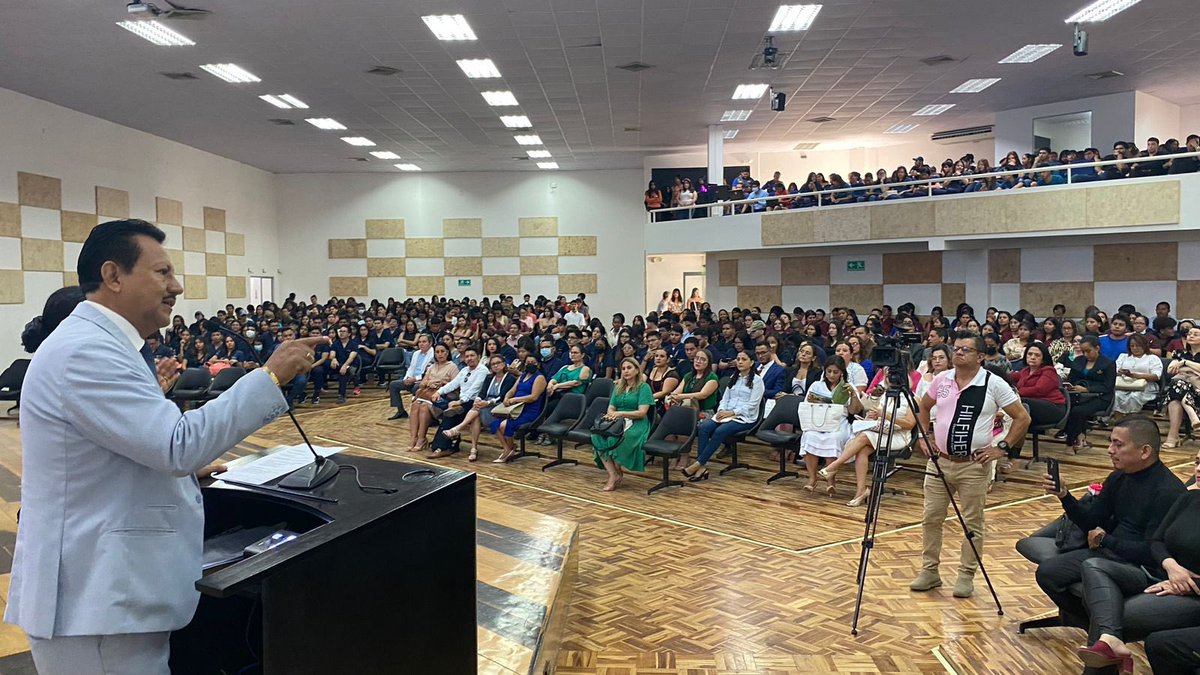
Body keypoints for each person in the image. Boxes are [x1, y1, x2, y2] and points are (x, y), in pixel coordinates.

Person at [6, 219, 326, 672]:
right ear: (113, 276)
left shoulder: (106, 344)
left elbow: (120, 450)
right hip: (95, 603)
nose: (176, 286)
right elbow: (176, 445)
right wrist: (270, 377)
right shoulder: (86, 351)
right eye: (162, 273)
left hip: (109, 596)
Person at [1033, 417, 1186, 636]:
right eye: (1110, 442)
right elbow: (1092, 521)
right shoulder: (1118, 478)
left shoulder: (1168, 492)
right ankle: (1093, 624)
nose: (1110, 450)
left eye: (1118, 444)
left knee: (1093, 568)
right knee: (1048, 573)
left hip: (1141, 567)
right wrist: (1065, 496)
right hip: (1111, 552)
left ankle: (1107, 632)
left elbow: (1152, 551)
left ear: (1144, 451)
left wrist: (1105, 540)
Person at [911, 332, 1030, 598]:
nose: (958, 353)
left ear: (981, 356)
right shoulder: (941, 379)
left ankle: (966, 575)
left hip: (973, 465)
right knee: (931, 518)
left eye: (965, 349)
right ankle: (930, 571)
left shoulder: (993, 383)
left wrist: (1002, 448)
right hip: (939, 462)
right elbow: (924, 405)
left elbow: (1021, 418)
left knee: (972, 523)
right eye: (956, 348)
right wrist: (923, 435)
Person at [820, 374, 917, 507]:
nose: (888, 379)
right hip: (883, 431)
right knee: (863, 450)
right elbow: (879, 416)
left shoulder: (910, 398)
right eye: (887, 377)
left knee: (864, 436)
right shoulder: (886, 396)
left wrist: (885, 415)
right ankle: (861, 491)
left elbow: (910, 424)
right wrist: (872, 416)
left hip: (899, 436)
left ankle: (834, 466)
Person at [681, 350, 764, 482]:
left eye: (744, 359)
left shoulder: (757, 381)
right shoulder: (733, 378)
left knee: (720, 431)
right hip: (725, 414)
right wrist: (721, 410)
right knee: (704, 427)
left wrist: (732, 412)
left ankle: (698, 464)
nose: (740, 362)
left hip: (744, 417)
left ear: (752, 362)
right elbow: (725, 398)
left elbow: (753, 404)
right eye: (738, 359)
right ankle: (701, 468)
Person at [590, 357, 653, 491]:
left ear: (637, 370)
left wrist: (621, 413)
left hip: (637, 422)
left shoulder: (644, 387)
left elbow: (642, 412)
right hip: (617, 420)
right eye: (623, 368)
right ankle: (613, 474)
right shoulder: (618, 386)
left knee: (614, 439)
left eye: (629, 368)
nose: (625, 371)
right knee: (597, 437)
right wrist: (613, 415)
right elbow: (611, 407)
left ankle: (616, 472)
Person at [796, 357, 856, 492]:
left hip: (839, 422)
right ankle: (812, 478)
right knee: (809, 436)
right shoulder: (816, 385)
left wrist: (853, 396)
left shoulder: (847, 387)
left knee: (834, 438)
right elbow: (807, 404)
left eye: (835, 372)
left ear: (841, 372)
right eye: (829, 371)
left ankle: (830, 480)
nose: (831, 375)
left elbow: (853, 411)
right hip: (818, 420)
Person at [444, 355, 514, 462]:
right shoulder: (489, 377)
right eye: (493, 364)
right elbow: (482, 392)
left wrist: (488, 402)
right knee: (475, 412)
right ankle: (473, 448)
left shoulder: (510, 378)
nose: (495, 366)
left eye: (498, 363)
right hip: (485, 405)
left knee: (476, 411)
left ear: (504, 364)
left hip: (499, 405)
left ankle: (458, 429)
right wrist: (478, 399)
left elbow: (504, 395)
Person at [425, 345, 488, 460]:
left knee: (449, 415)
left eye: (472, 355)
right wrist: (438, 392)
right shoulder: (464, 370)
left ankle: (441, 447)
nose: (469, 358)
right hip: (461, 402)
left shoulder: (483, 371)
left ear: (478, 357)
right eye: (467, 356)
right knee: (440, 403)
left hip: (474, 403)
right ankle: (447, 444)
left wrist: (459, 401)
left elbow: (475, 389)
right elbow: (453, 384)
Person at [664, 348, 720, 469]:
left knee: (684, 423)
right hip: (686, 410)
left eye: (702, 359)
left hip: (704, 413)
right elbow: (676, 391)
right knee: (668, 424)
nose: (698, 361)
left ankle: (685, 456)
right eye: (697, 358)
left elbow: (702, 395)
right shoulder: (689, 376)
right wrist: (674, 396)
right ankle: (674, 455)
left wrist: (681, 397)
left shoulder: (712, 378)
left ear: (708, 363)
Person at [1062, 335, 1117, 453]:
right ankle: (1080, 437)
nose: (1086, 355)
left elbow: (1108, 386)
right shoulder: (1078, 361)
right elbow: (1071, 379)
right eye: (1083, 352)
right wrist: (1069, 386)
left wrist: (1087, 389)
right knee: (1067, 405)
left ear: (1097, 348)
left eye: (1088, 351)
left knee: (1077, 411)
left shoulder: (1108, 363)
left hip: (1100, 396)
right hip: (1078, 394)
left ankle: (1070, 442)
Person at [490, 355, 547, 463]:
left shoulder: (540, 378)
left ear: (538, 364)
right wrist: (507, 398)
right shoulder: (522, 376)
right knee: (496, 424)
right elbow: (512, 391)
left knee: (504, 425)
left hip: (529, 411)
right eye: (527, 362)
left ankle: (509, 449)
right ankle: (508, 448)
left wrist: (515, 400)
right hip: (515, 409)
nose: (530, 364)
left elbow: (533, 397)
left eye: (533, 362)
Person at [407, 343, 459, 454]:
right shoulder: (432, 366)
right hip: (427, 395)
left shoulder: (452, 367)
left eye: (442, 351)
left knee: (424, 407)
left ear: (447, 352)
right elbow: (421, 384)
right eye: (437, 352)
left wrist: (442, 384)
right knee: (416, 404)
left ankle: (421, 439)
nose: (440, 354)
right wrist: (429, 383)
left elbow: (456, 386)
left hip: (442, 400)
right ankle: (413, 438)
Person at [1013, 343, 1067, 428]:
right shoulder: (1025, 371)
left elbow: (1039, 390)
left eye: (1037, 355)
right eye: (1030, 354)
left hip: (1053, 407)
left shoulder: (1049, 371)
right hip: (1034, 405)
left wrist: (1016, 392)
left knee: (1018, 402)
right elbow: (1008, 376)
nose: (1033, 357)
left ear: (1043, 359)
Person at [1112, 333, 1161, 416]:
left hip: (1146, 386)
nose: (1135, 348)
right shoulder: (1123, 356)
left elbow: (1156, 376)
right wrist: (1119, 372)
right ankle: (1118, 418)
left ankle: (1131, 416)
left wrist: (1135, 375)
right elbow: (1114, 370)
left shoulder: (1153, 358)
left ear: (1144, 345)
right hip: (1124, 384)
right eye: (1132, 346)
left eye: (1138, 345)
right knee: (1117, 395)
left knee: (1134, 396)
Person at [388, 333, 433, 420]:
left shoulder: (433, 354)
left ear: (430, 343)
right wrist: (407, 378)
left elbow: (429, 373)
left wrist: (415, 379)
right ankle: (400, 411)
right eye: (419, 342)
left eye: (424, 342)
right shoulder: (416, 353)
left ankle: (417, 413)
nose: (421, 344)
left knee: (416, 387)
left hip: (424, 380)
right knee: (393, 384)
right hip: (412, 378)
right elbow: (411, 368)